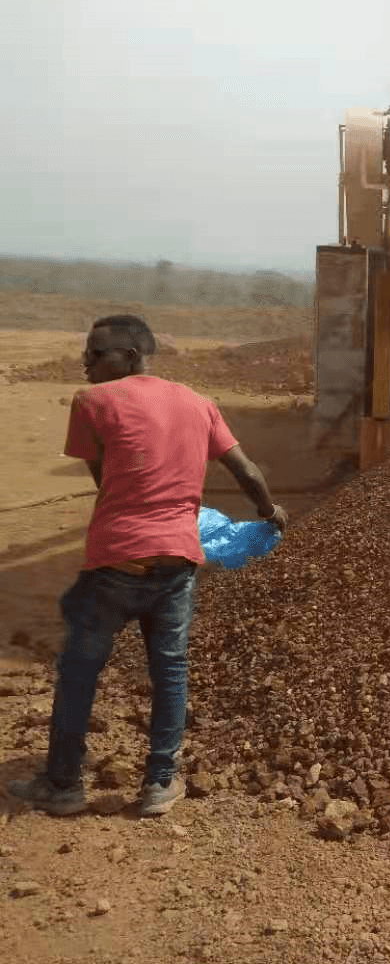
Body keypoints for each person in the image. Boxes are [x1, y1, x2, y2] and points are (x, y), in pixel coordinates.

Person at [6, 315, 288, 817]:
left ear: (132, 355)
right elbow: (246, 471)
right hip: (176, 562)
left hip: (115, 561)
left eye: (97, 354)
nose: (86, 363)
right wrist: (271, 513)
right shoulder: (199, 402)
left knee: (79, 671)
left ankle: (63, 784)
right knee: (170, 671)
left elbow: (105, 480)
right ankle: (159, 783)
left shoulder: (91, 402)